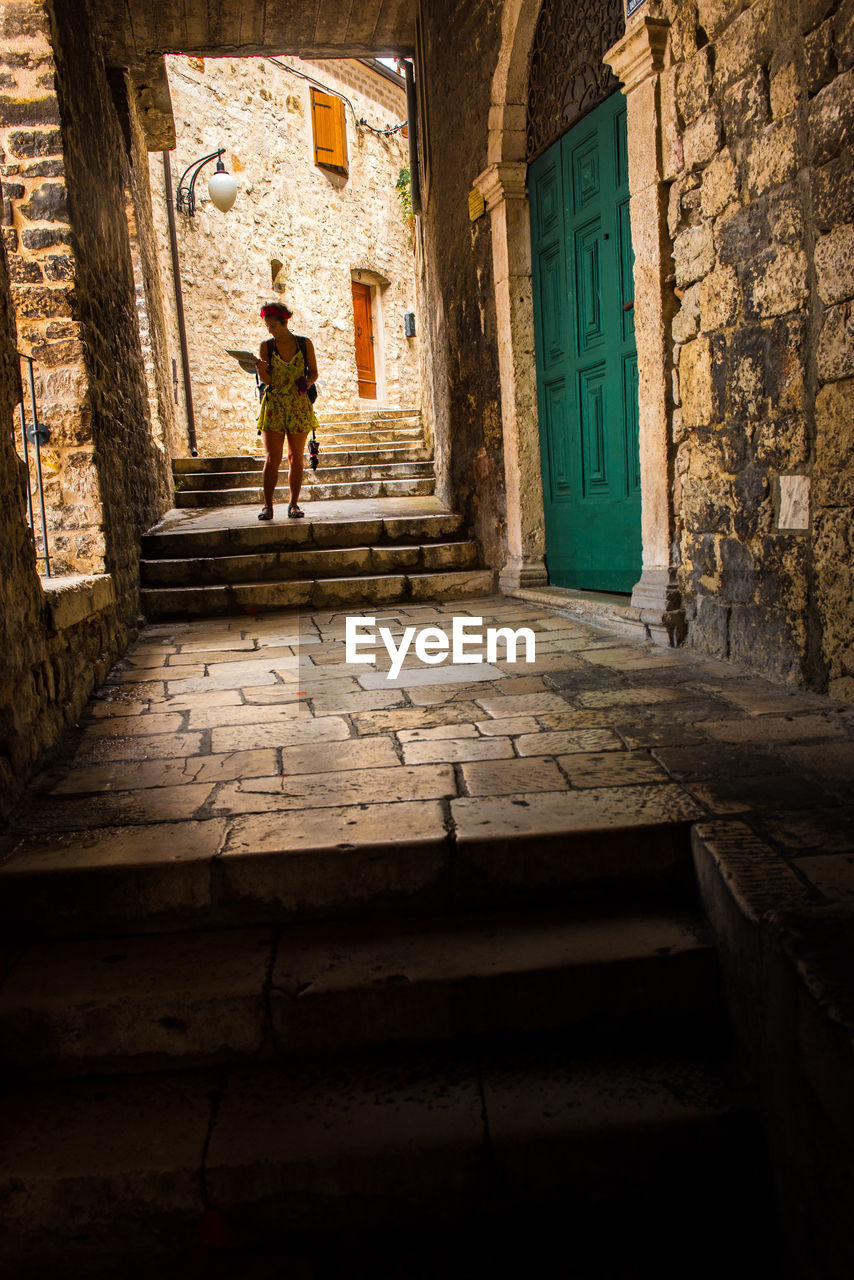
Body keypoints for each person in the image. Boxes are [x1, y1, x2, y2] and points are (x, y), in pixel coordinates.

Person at [254, 301, 319, 519]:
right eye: (268, 326)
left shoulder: (304, 344)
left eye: (274, 326)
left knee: (296, 458)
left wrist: (306, 383)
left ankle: (293, 504)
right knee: (272, 457)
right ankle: (268, 506)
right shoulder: (267, 346)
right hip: (274, 405)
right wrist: (262, 373)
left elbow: (314, 373)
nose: (270, 330)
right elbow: (267, 381)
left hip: (298, 404)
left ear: (285, 322)